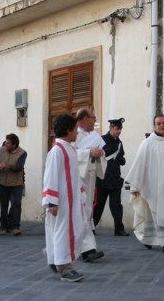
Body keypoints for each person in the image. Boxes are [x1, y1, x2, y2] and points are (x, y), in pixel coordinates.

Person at [125, 114, 164, 254]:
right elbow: (139, 164)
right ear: (154, 126)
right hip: (154, 185)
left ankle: (148, 239)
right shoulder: (147, 143)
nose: (162, 125)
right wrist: (135, 186)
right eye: (159, 123)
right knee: (159, 211)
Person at [42, 114, 86, 282]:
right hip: (60, 202)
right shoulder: (57, 151)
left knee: (74, 230)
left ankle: (55, 260)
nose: (77, 132)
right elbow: (50, 176)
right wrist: (51, 202)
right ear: (68, 130)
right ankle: (64, 267)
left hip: (72, 200)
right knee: (63, 232)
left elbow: (74, 175)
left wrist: (80, 192)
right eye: (75, 129)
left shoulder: (70, 148)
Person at [73, 107, 105, 262]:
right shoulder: (73, 135)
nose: (95, 121)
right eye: (93, 117)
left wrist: (99, 154)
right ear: (85, 119)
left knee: (87, 211)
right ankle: (88, 249)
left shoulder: (93, 135)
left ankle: (79, 247)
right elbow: (70, 154)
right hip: (77, 180)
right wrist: (89, 152)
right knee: (82, 213)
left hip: (90, 178)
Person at [93, 117, 129, 236]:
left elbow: (122, 158)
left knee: (116, 205)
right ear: (111, 128)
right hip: (103, 178)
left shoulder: (119, 143)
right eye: (117, 129)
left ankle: (119, 228)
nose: (119, 131)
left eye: (120, 129)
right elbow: (95, 158)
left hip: (115, 178)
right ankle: (91, 227)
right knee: (99, 205)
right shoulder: (101, 140)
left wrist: (121, 159)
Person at [0, 133, 26, 236]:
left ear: (14, 145)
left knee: (16, 203)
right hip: (2, 182)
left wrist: (7, 166)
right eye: (6, 142)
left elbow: (19, 167)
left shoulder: (22, 153)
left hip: (16, 184)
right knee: (3, 205)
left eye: (8, 143)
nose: (6, 144)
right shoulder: (1, 150)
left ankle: (15, 226)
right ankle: (3, 226)